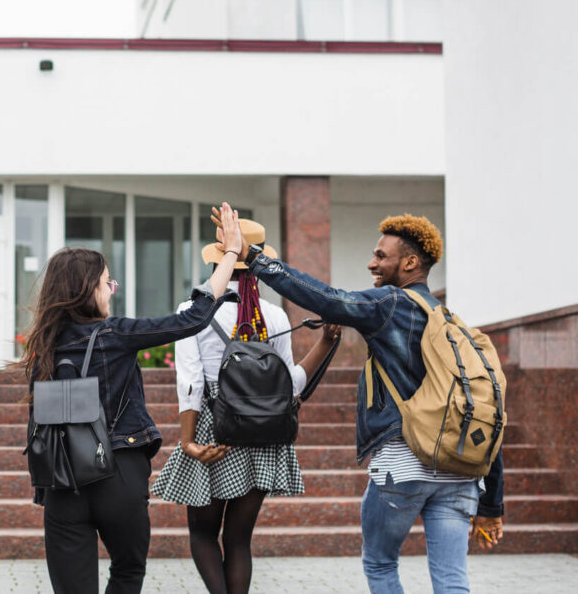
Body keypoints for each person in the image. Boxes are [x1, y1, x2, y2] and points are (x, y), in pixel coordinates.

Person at [213, 209, 505, 594]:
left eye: (381, 256)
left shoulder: (391, 304)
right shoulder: (453, 324)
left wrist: (253, 257)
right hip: (461, 473)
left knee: (381, 564)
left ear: (411, 263)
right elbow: (482, 409)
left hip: (402, 466)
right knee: (452, 580)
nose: (372, 263)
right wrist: (492, 504)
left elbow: (327, 298)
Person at [14, 202, 245, 594]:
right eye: (108, 282)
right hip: (118, 471)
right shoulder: (115, 334)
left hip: (61, 481)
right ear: (89, 288)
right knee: (127, 570)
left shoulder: (42, 347)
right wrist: (232, 255)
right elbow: (193, 317)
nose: (111, 291)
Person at [152, 219, 341, 594]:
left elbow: (189, 382)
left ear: (216, 264)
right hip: (263, 435)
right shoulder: (274, 316)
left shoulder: (193, 309)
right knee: (239, 540)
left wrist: (188, 441)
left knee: (203, 534)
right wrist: (323, 345)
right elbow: (289, 389)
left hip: (213, 432)